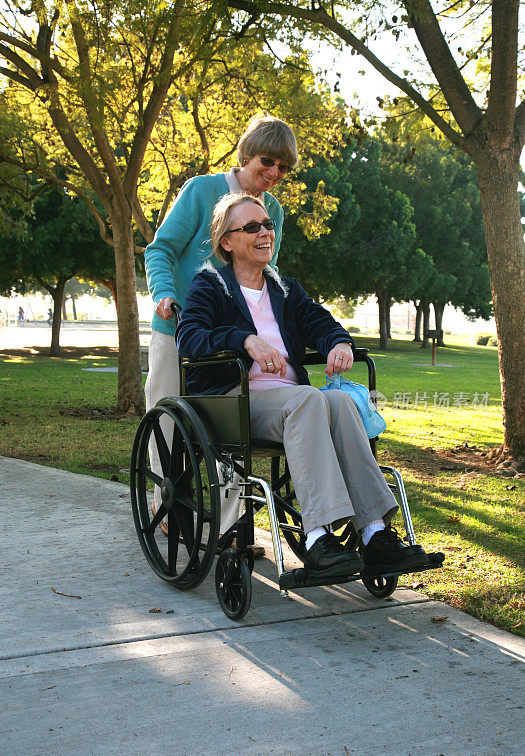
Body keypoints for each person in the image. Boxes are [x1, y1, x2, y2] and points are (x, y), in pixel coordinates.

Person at [176, 193, 430, 577]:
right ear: (227, 242)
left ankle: (375, 533)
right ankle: (316, 536)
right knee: (309, 400)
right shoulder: (210, 286)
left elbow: (319, 322)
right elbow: (189, 338)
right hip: (234, 401)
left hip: (293, 401)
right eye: (251, 227)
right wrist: (244, 340)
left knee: (341, 402)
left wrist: (339, 342)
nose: (264, 233)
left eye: (268, 225)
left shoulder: (284, 288)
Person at [144, 113, 298, 553]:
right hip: (178, 328)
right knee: (168, 424)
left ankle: (231, 531)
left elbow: (262, 270)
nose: (273, 175)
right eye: (267, 162)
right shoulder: (201, 190)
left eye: (283, 169)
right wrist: (165, 294)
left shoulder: (275, 213)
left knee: (230, 432)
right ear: (246, 154)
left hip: (229, 339)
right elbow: (162, 249)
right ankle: (168, 507)